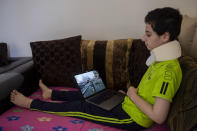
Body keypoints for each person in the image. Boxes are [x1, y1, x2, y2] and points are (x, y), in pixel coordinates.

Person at [10, 7, 183, 131]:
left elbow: (159, 116)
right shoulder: (159, 61)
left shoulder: (169, 71)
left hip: (131, 119)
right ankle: (52, 94)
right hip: (129, 104)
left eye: (148, 34)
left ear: (165, 36)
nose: (143, 37)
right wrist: (130, 96)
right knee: (94, 92)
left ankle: (31, 103)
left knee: (81, 107)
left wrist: (132, 95)